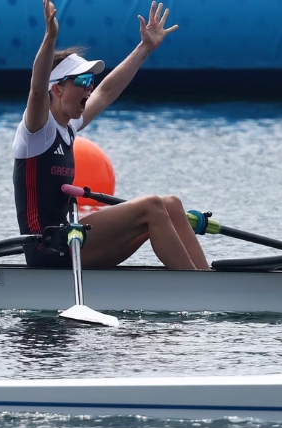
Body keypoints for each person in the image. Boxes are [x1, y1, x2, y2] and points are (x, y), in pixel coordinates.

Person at [13, 0, 208, 270]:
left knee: (171, 205)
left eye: (89, 81)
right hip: (47, 248)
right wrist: (50, 37)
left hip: (71, 238)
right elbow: (36, 89)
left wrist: (145, 48)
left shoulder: (69, 126)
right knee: (151, 206)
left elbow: (106, 92)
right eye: (82, 81)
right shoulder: (36, 131)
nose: (89, 88)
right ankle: (199, 291)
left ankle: (205, 279)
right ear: (57, 89)